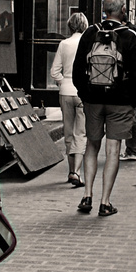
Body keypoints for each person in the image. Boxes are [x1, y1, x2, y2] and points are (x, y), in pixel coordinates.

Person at [71, 0, 136, 217]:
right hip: (121, 103)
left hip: (93, 101)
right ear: (124, 9)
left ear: (104, 10)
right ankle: (105, 202)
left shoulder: (90, 33)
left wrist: (85, 94)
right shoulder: (131, 34)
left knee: (92, 146)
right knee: (113, 149)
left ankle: (87, 194)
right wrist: (134, 102)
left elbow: (77, 69)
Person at [50, 12, 90, 188]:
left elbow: (54, 71)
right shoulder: (87, 43)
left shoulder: (63, 44)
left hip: (65, 91)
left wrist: (62, 82)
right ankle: (77, 172)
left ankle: (70, 170)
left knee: (68, 132)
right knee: (81, 133)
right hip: (82, 92)